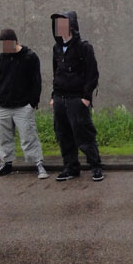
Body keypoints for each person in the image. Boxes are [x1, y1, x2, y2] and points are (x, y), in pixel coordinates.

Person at [0, 29, 48, 179]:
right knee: (3, 137)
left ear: (15, 41)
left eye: (7, 44)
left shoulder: (29, 57)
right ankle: (6, 164)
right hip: (1, 106)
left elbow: (36, 82)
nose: (5, 47)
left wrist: (32, 103)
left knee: (29, 136)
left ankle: (38, 164)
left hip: (23, 106)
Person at [49, 12, 104, 182]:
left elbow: (92, 74)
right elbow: (55, 72)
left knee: (85, 135)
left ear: (71, 26)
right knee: (63, 135)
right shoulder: (56, 48)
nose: (60, 28)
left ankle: (96, 167)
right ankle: (71, 168)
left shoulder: (84, 48)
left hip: (77, 100)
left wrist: (86, 98)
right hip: (60, 99)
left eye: (63, 24)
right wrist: (54, 96)